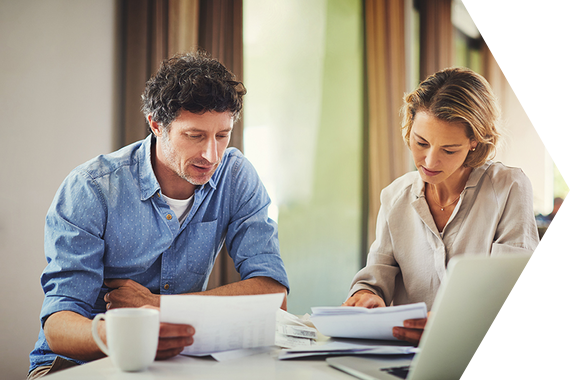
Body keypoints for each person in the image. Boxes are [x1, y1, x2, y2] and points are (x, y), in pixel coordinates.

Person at [28, 52, 289, 379]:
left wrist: (159, 307)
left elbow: (272, 294)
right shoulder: (91, 188)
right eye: (195, 136)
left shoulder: (235, 176)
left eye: (223, 135)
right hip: (78, 366)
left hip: (179, 364)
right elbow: (59, 327)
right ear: (155, 124)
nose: (211, 155)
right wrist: (132, 335)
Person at [342, 67, 542, 345]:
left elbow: (516, 289)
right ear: (409, 128)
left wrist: (450, 319)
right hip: (404, 354)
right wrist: (366, 296)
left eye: (449, 150)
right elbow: (375, 277)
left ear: (474, 142)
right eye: (421, 142)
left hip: (478, 352)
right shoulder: (395, 196)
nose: (430, 161)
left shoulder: (508, 187)